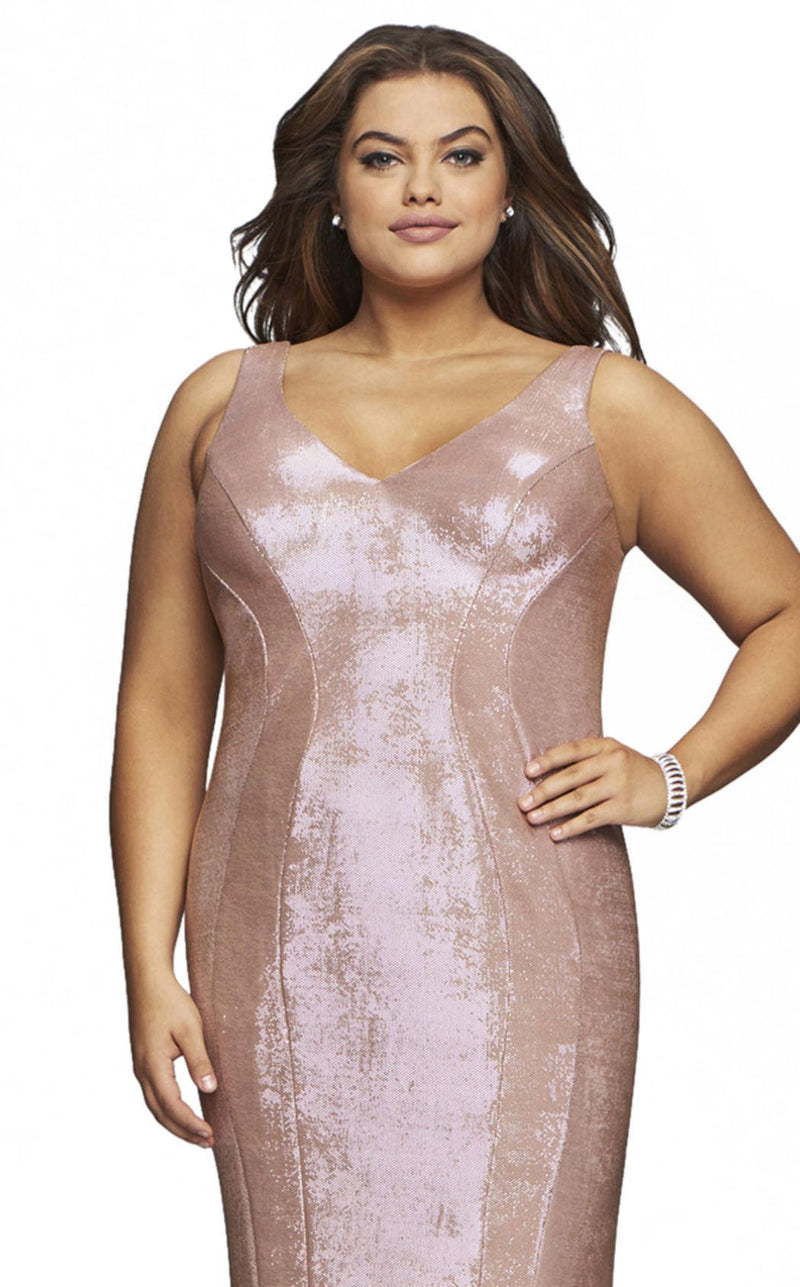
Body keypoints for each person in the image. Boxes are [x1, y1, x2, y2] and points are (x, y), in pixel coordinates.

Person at [109, 22, 800, 1287]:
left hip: (527, 950)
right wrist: (145, 966)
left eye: (461, 154)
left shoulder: (606, 406)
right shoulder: (219, 406)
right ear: (330, 190)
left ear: (510, 187)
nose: (421, 186)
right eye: (382, 157)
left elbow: (785, 613)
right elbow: (160, 707)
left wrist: (670, 775)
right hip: (272, 954)